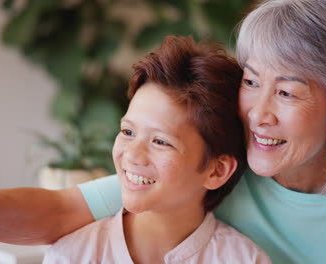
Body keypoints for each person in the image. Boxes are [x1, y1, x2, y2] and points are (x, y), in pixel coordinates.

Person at [0, 0, 326, 263]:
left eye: (287, 92)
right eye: (251, 81)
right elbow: (60, 210)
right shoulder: (230, 162)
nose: (257, 113)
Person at [43, 36, 271, 263]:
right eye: (128, 132)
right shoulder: (71, 255)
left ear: (217, 171)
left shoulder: (245, 260)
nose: (132, 154)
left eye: (160, 142)